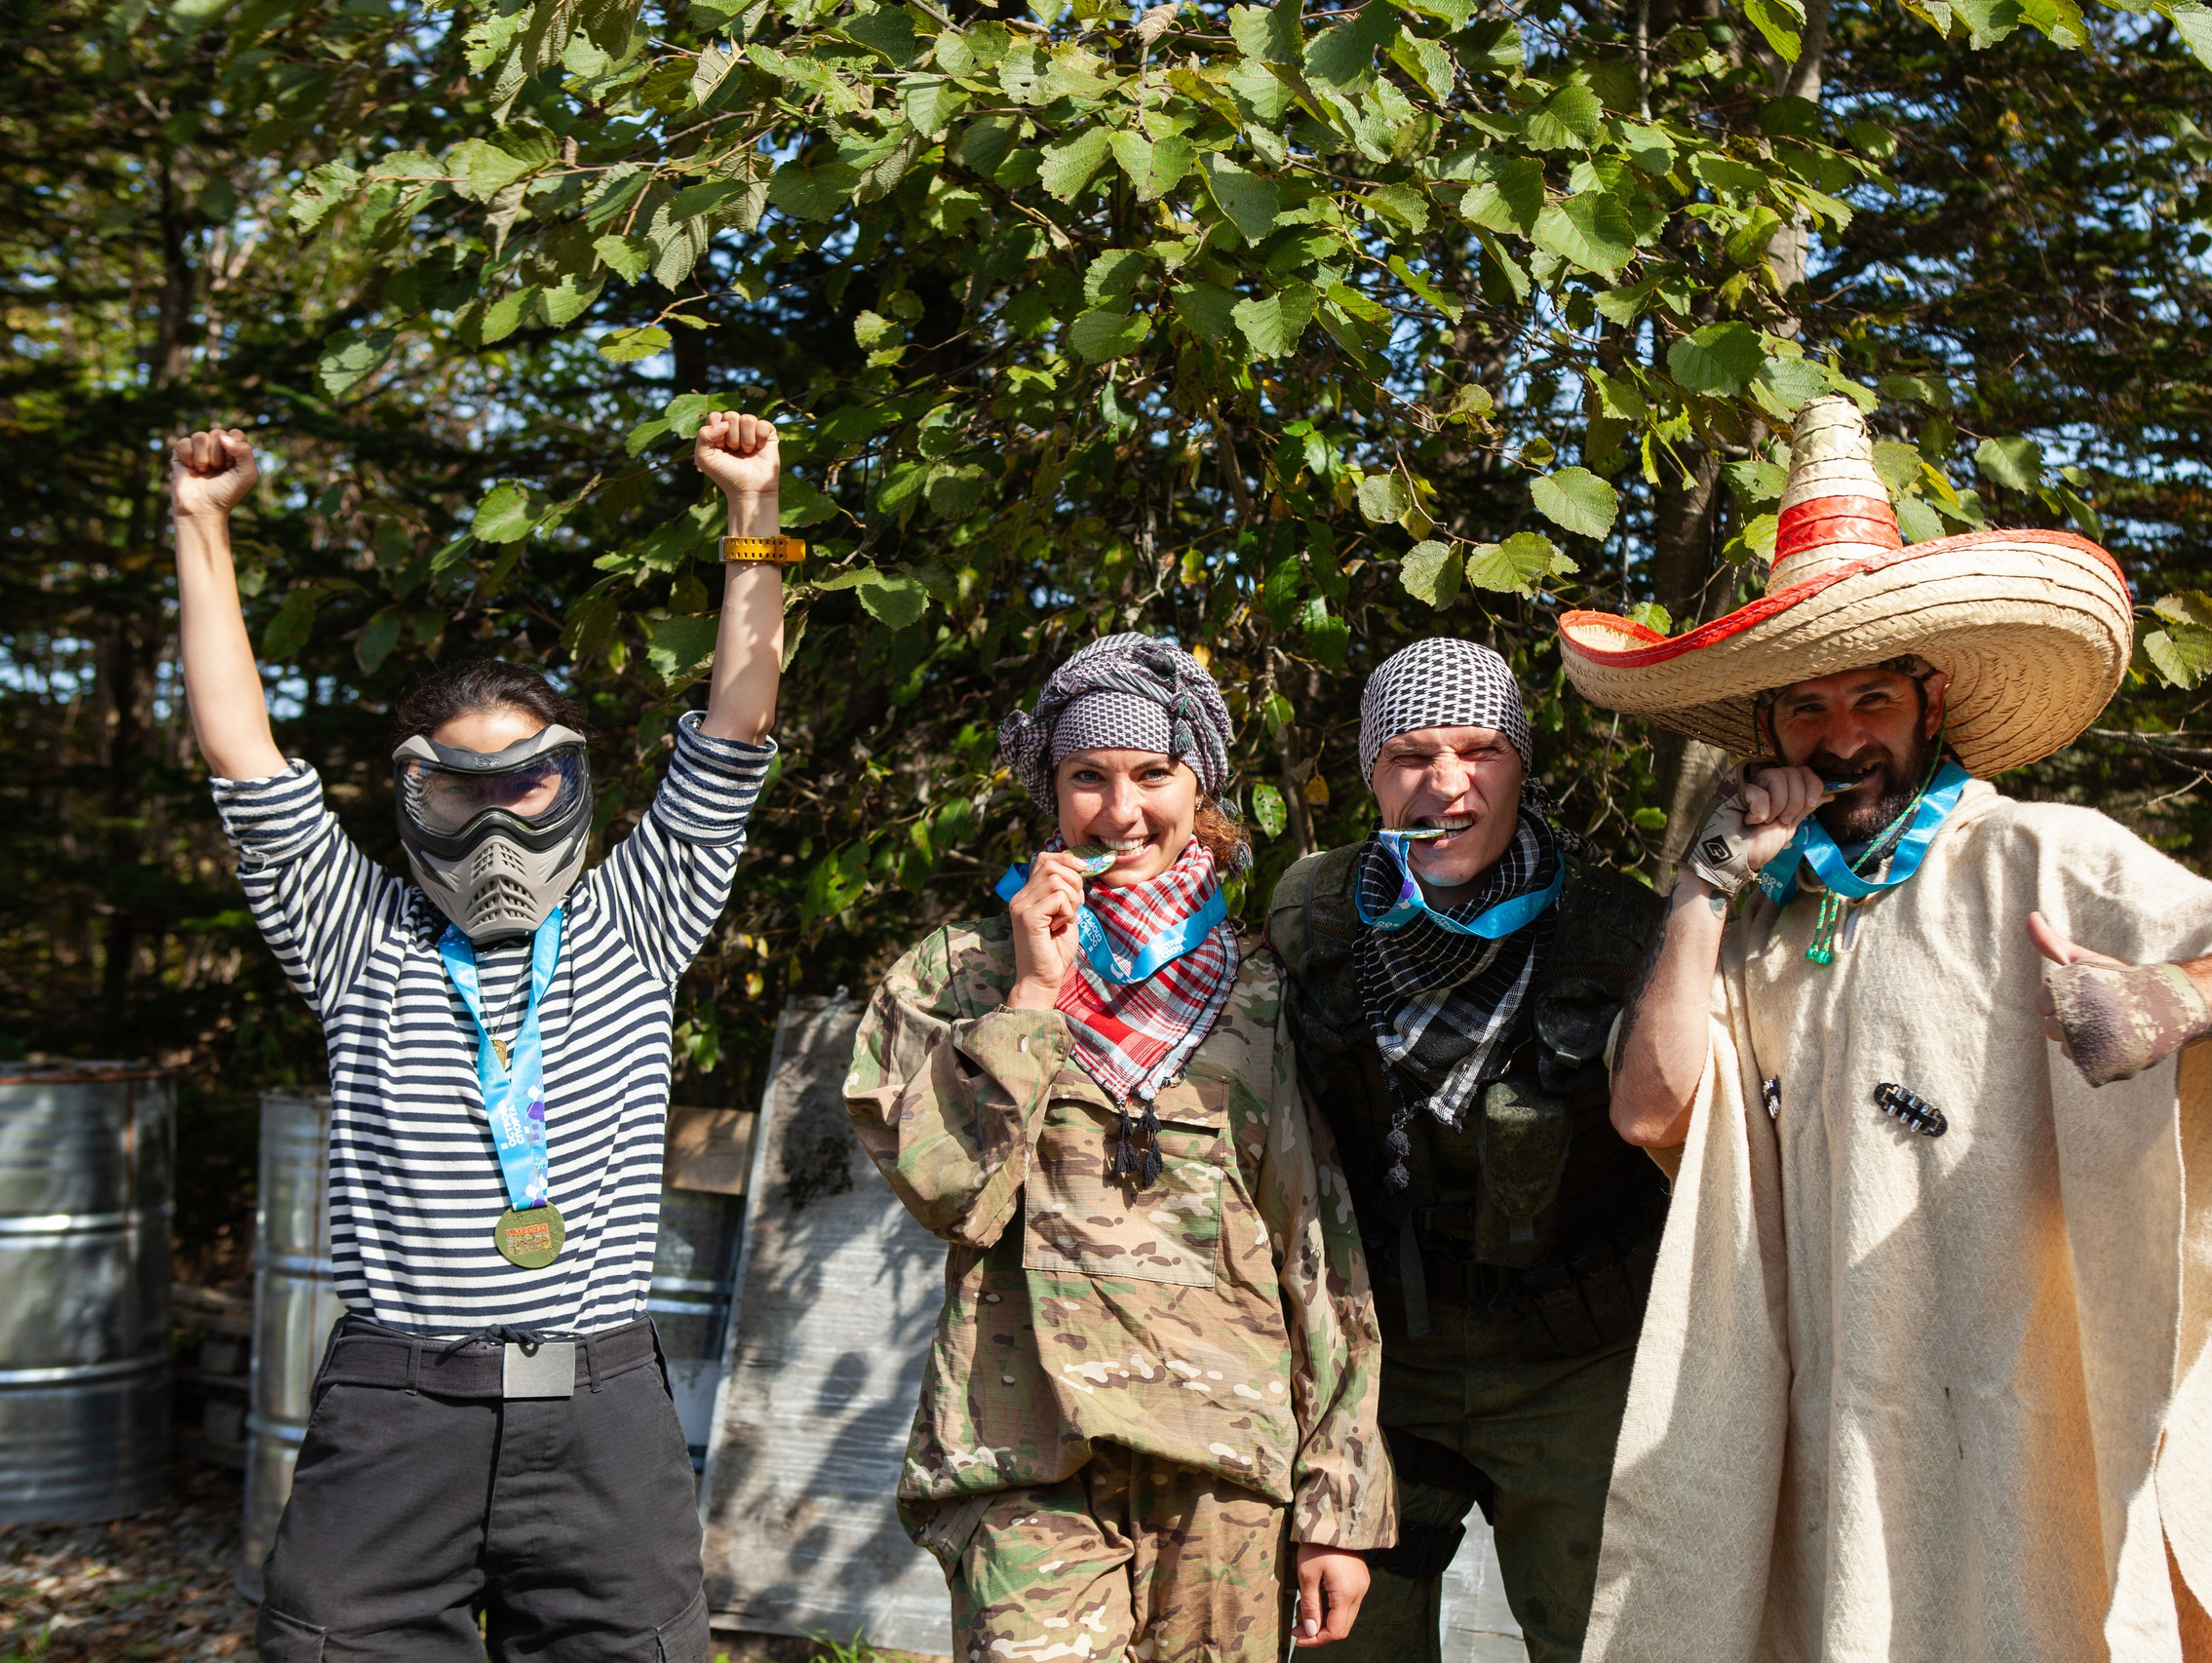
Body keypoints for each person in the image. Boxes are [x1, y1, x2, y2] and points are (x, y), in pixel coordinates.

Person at [1555, 396, 2212, 1661]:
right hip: (1822, 1458)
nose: (1843, 736)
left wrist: (2169, 1000)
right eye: (1806, 709)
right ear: (1768, 732)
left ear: (1932, 702)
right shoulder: (1759, 924)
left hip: (2011, 1444)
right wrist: (1702, 886)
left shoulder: (2041, 858)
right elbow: (1650, 1109)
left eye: (1872, 698)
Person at [171, 412, 798, 1662]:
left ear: (574, 783)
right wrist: (202, 520)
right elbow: (242, 751)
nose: (500, 816)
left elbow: (734, 726)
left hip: (602, 1410)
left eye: (529, 781)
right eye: (463, 785)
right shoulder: (357, 931)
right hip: (399, 1410)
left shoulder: (634, 911)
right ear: (414, 792)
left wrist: (754, 513)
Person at [842, 632, 1393, 1662]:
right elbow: (946, 1192)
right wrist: (1033, 998)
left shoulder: (1265, 988)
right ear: (1050, 791)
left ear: (1203, 787)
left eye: (1152, 773)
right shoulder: (957, 976)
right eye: (1086, 777)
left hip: (1224, 1467)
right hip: (1026, 1459)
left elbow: (1318, 1257)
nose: (1121, 809)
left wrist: (1340, 1502)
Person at [1262, 638, 1667, 1663]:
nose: (1445, 783)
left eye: (1479, 749)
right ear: (1369, 773)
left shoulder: (1619, 928)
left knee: (1608, 1640)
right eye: (1409, 754)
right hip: (1383, 1370)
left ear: (1521, 764)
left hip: (1578, 1367)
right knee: (1343, 1645)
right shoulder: (1312, 916)